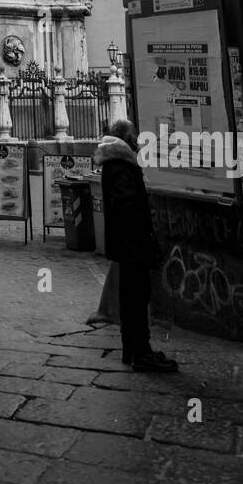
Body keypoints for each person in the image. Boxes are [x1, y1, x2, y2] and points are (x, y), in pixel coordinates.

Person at [95, 119, 178, 373]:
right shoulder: (121, 165)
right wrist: (141, 239)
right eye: (134, 136)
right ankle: (141, 353)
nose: (138, 140)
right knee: (137, 298)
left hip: (127, 245)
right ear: (126, 139)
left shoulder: (116, 163)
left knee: (131, 298)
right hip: (132, 246)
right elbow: (126, 207)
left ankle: (131, 349)